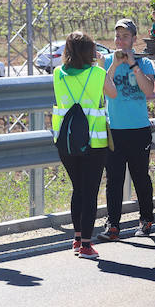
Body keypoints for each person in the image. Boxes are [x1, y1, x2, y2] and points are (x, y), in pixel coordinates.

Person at [51, 31, 116, 260]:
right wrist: (101, 66)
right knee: (90, 192)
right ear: (91, 52)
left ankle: (77, 238)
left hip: (65, 142)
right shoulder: (97, 73)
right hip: (94, 142)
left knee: (78, 188)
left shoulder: (57, 73)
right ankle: (87, 245)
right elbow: (113, 93)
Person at [98, 18, 155, 241]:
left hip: (139, 128)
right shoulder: (106, 63)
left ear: (133, 39)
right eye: (117, 36)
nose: (120, 41)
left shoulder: (144, 63)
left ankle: (146, 219)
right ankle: (113, 225)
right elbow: (102, 87)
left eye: (125, 36)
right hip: (114, 130)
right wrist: (113, 64)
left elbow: (149, 90)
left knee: (140, 176)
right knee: (114, 179)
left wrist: (132, 64)